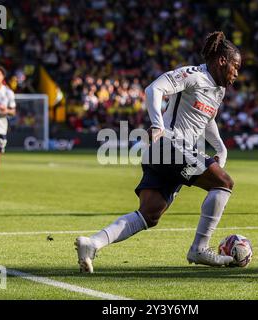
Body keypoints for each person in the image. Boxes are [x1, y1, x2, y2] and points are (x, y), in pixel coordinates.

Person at [76, 31, 241, 273]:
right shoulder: (193, 75)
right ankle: (199, 248)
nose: (237, 73)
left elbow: (206, 120)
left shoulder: (218, 91)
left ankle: (92, 243)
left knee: (149, 215)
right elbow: (154, 89)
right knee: (224, 183)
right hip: (171, 145)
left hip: (168, 153)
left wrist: (221, 148)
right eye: (235, 66)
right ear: (222, 61)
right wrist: (157, 125)